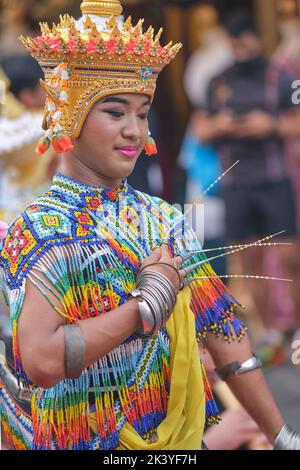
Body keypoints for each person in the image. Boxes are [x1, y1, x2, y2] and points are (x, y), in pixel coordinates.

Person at [0, 0, 299, 451]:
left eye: (142, 114)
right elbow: (41, 360)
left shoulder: (162, 218)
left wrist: (282, 435)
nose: (135, 132)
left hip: (177, 436)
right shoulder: (39, 229)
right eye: (115, 112)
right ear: (69, 114)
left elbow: (224, 334)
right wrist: (146, 306)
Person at [191, 11, 300, 356]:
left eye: (246, 40)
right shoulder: (217, 81)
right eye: (235, 42)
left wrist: (268, 125)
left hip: (273, 180)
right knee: (251, 263)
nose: (241, 48)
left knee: (289, 258)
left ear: (258, 40)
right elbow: (200, 130)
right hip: (236, 182)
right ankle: (269, 334)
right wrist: (221, 126)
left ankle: (296, 327)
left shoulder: (282, 78)